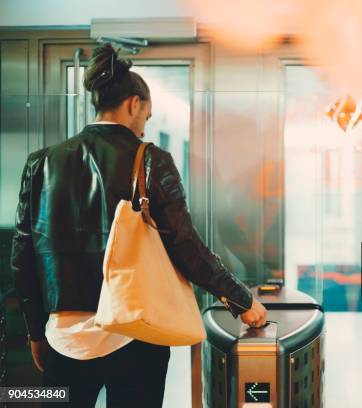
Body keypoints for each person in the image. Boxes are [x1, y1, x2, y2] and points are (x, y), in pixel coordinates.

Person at [10, 43, 266, 407]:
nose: (146, 124)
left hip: (63, 339)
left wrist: (36, 332)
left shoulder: (41, 164)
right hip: (136, 337)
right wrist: (242, 299)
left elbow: (23, 260)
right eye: (147, 115)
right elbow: (186, 246)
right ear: (134, 104)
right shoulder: (152, 161)